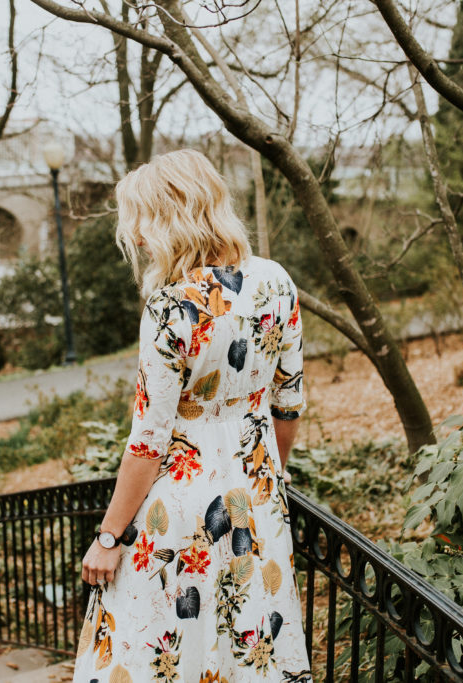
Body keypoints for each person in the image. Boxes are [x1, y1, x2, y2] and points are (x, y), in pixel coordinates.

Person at [72, 149, 312, 682]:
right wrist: (270, 469)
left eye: (137, 220)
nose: (133, 236)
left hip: (179, 513)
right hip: (256, 498)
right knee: (248, 642)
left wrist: (109, 538)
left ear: (166, 219)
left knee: (161, 652)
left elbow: (148, 441)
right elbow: (288, 404)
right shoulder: (277, 282)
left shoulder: (171, 308)